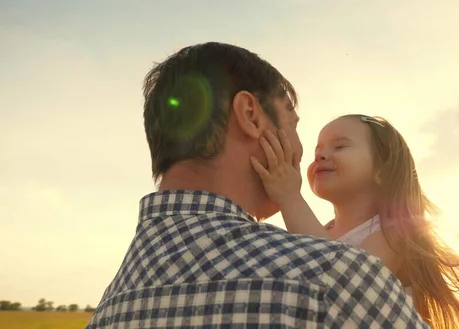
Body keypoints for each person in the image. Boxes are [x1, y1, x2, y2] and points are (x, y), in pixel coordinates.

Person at [86, 43, 429, 328]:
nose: (301, 152)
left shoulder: (106, 310)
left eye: (339, 147)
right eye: (294, 126)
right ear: (250, 115)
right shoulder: (333, 278)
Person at [252, 114, 459, 329]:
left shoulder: (396, 231)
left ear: (381, 170)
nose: (320, 155)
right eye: (317, 150)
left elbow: (342, 279)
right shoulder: (322, 231)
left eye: (339, 146)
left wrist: (289, 197)